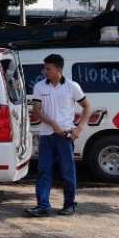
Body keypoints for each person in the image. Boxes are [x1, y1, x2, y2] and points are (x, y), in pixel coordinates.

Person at [26, 54, 92, 217]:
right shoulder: (40, 87)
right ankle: (43, 206)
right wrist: (53, 125)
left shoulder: (72, 86)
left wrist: (79, 128)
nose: (45, 71)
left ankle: (69, 204)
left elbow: (87, 107)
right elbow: (36, 111)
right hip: (46, 135)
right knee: (43, 171)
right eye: (44, 68)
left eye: (48, 68)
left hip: (65, 136)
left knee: (67, 171)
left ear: (58, 69)